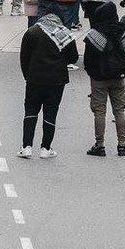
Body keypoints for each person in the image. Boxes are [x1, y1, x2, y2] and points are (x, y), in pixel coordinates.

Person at [18, 13, 79, 158]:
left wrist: (28, 76)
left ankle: (26, 146)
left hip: (35, 79)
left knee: (31, 111)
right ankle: (46, 148)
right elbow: (74, 58)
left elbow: (24, 57)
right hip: (57, 80)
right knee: (51, 113)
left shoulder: (32, 32)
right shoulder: (64, 34)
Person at [83, 2, 125, 157]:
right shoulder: (124, 31)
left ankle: (100, 145)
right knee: (119, 111)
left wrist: (92, 73)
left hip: (99, 78)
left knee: (99, 111)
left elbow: (88, 59)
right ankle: (122, 145)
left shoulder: (94, 34)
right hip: (119, 77)